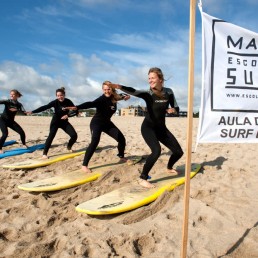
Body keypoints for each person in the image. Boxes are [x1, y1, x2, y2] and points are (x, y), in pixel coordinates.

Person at [108, 67, 184, 188]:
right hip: (148, 127)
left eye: (153, 78)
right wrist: (119, 86)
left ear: (160, 79)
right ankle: (143, 178)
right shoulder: (148, 94)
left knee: (179, 152)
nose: (150, 80)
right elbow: (134, 91)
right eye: (149, 78)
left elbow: (177, 109)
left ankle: (169, 167)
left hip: (161, 128)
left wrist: (173, 110)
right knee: (156, 151)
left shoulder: (169, 92)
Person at [68, 81, 130, 173]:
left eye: (108, 89)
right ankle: (84, 165)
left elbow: (122, 95)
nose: (107, 91)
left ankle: (121, 156)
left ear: (112, 89)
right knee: (95, 142)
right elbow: (90, 104)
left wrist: (126, 97)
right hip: (96, 123)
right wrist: (77, 107)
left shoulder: (114, 97)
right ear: (102, 90)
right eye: (104, 89)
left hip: (107, 123)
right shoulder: (101, 100)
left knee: (121, 139)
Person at [27, 87, 78, 159]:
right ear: (56, 96)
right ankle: (44, 154)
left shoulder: (68, 101)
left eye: (61, 95)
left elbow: (76, 111)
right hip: (55, 121)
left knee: (74, 135)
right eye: (58, 96)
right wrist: (33, 111)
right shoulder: (55, 102)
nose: (60, 97)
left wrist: (68, 115)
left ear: (64, 95)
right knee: (51, 136)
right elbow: (45, 107)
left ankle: (69, 147)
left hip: (64, 122)